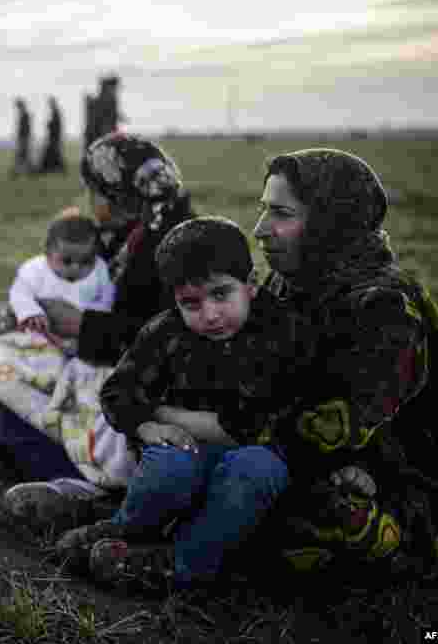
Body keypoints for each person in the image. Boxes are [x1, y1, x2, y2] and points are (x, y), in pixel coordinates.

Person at [54, 216, 312, 591]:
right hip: (188, 450)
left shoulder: (282, 331)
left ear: (251, 284)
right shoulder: (166, 331)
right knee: (169, 461)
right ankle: (131, 529)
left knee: (253, 468)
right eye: (191, 303)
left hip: (253, 457)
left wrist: (163, 411)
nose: (209, 314)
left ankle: (187, 563)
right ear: (174, 300)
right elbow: (118, 392)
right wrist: (147, 426)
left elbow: (260, 423)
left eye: (221, 294)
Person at [246, 149, 438, 579]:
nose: (260, 230)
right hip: (313, 462)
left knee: (297, 509)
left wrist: (218, 436)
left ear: (330, 224)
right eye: (263, 210)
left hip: (394, 486)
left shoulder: (386, 309)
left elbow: (324, 433)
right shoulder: (292, 281)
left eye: (281, 213)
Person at [0, 133, 196, 524]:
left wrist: (84, 325)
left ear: (117, 196)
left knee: (2, 382)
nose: (89, 201)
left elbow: (172, 333)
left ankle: (82, 486)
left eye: (94, 191)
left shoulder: (174, 246)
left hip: (141, 386)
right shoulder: (126, 235)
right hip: (101, 363)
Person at [8, 207, 116, 351]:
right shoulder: (35, 269)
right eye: (67, 261)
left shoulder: (100, 271)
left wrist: (87, 319)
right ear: (47, 253)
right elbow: (19, 293)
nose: (75, 268)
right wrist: (31, 312)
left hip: (80, 342)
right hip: (38, 335)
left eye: (86, 261)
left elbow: (106, 301)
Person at [36, 96, 66, 174]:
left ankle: (59, 169)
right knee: (54, 154)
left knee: (55, 153)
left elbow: (55, 126)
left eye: (50, 103)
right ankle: (56, 169)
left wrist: (49, 124)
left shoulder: (56, 112)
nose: (49, 105)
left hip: (54, 137)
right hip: (54, 137)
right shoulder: (55, 112)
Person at [10, 98, 32, 177]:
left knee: (20, 156)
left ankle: (15, 172)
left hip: (24, 139)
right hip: (24, 139)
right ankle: (20, 172)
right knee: (24, 157)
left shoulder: (25, 115)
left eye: (18, 106)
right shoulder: (24, 114)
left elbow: (25, 128)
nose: (17, 108)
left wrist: (22, 138)